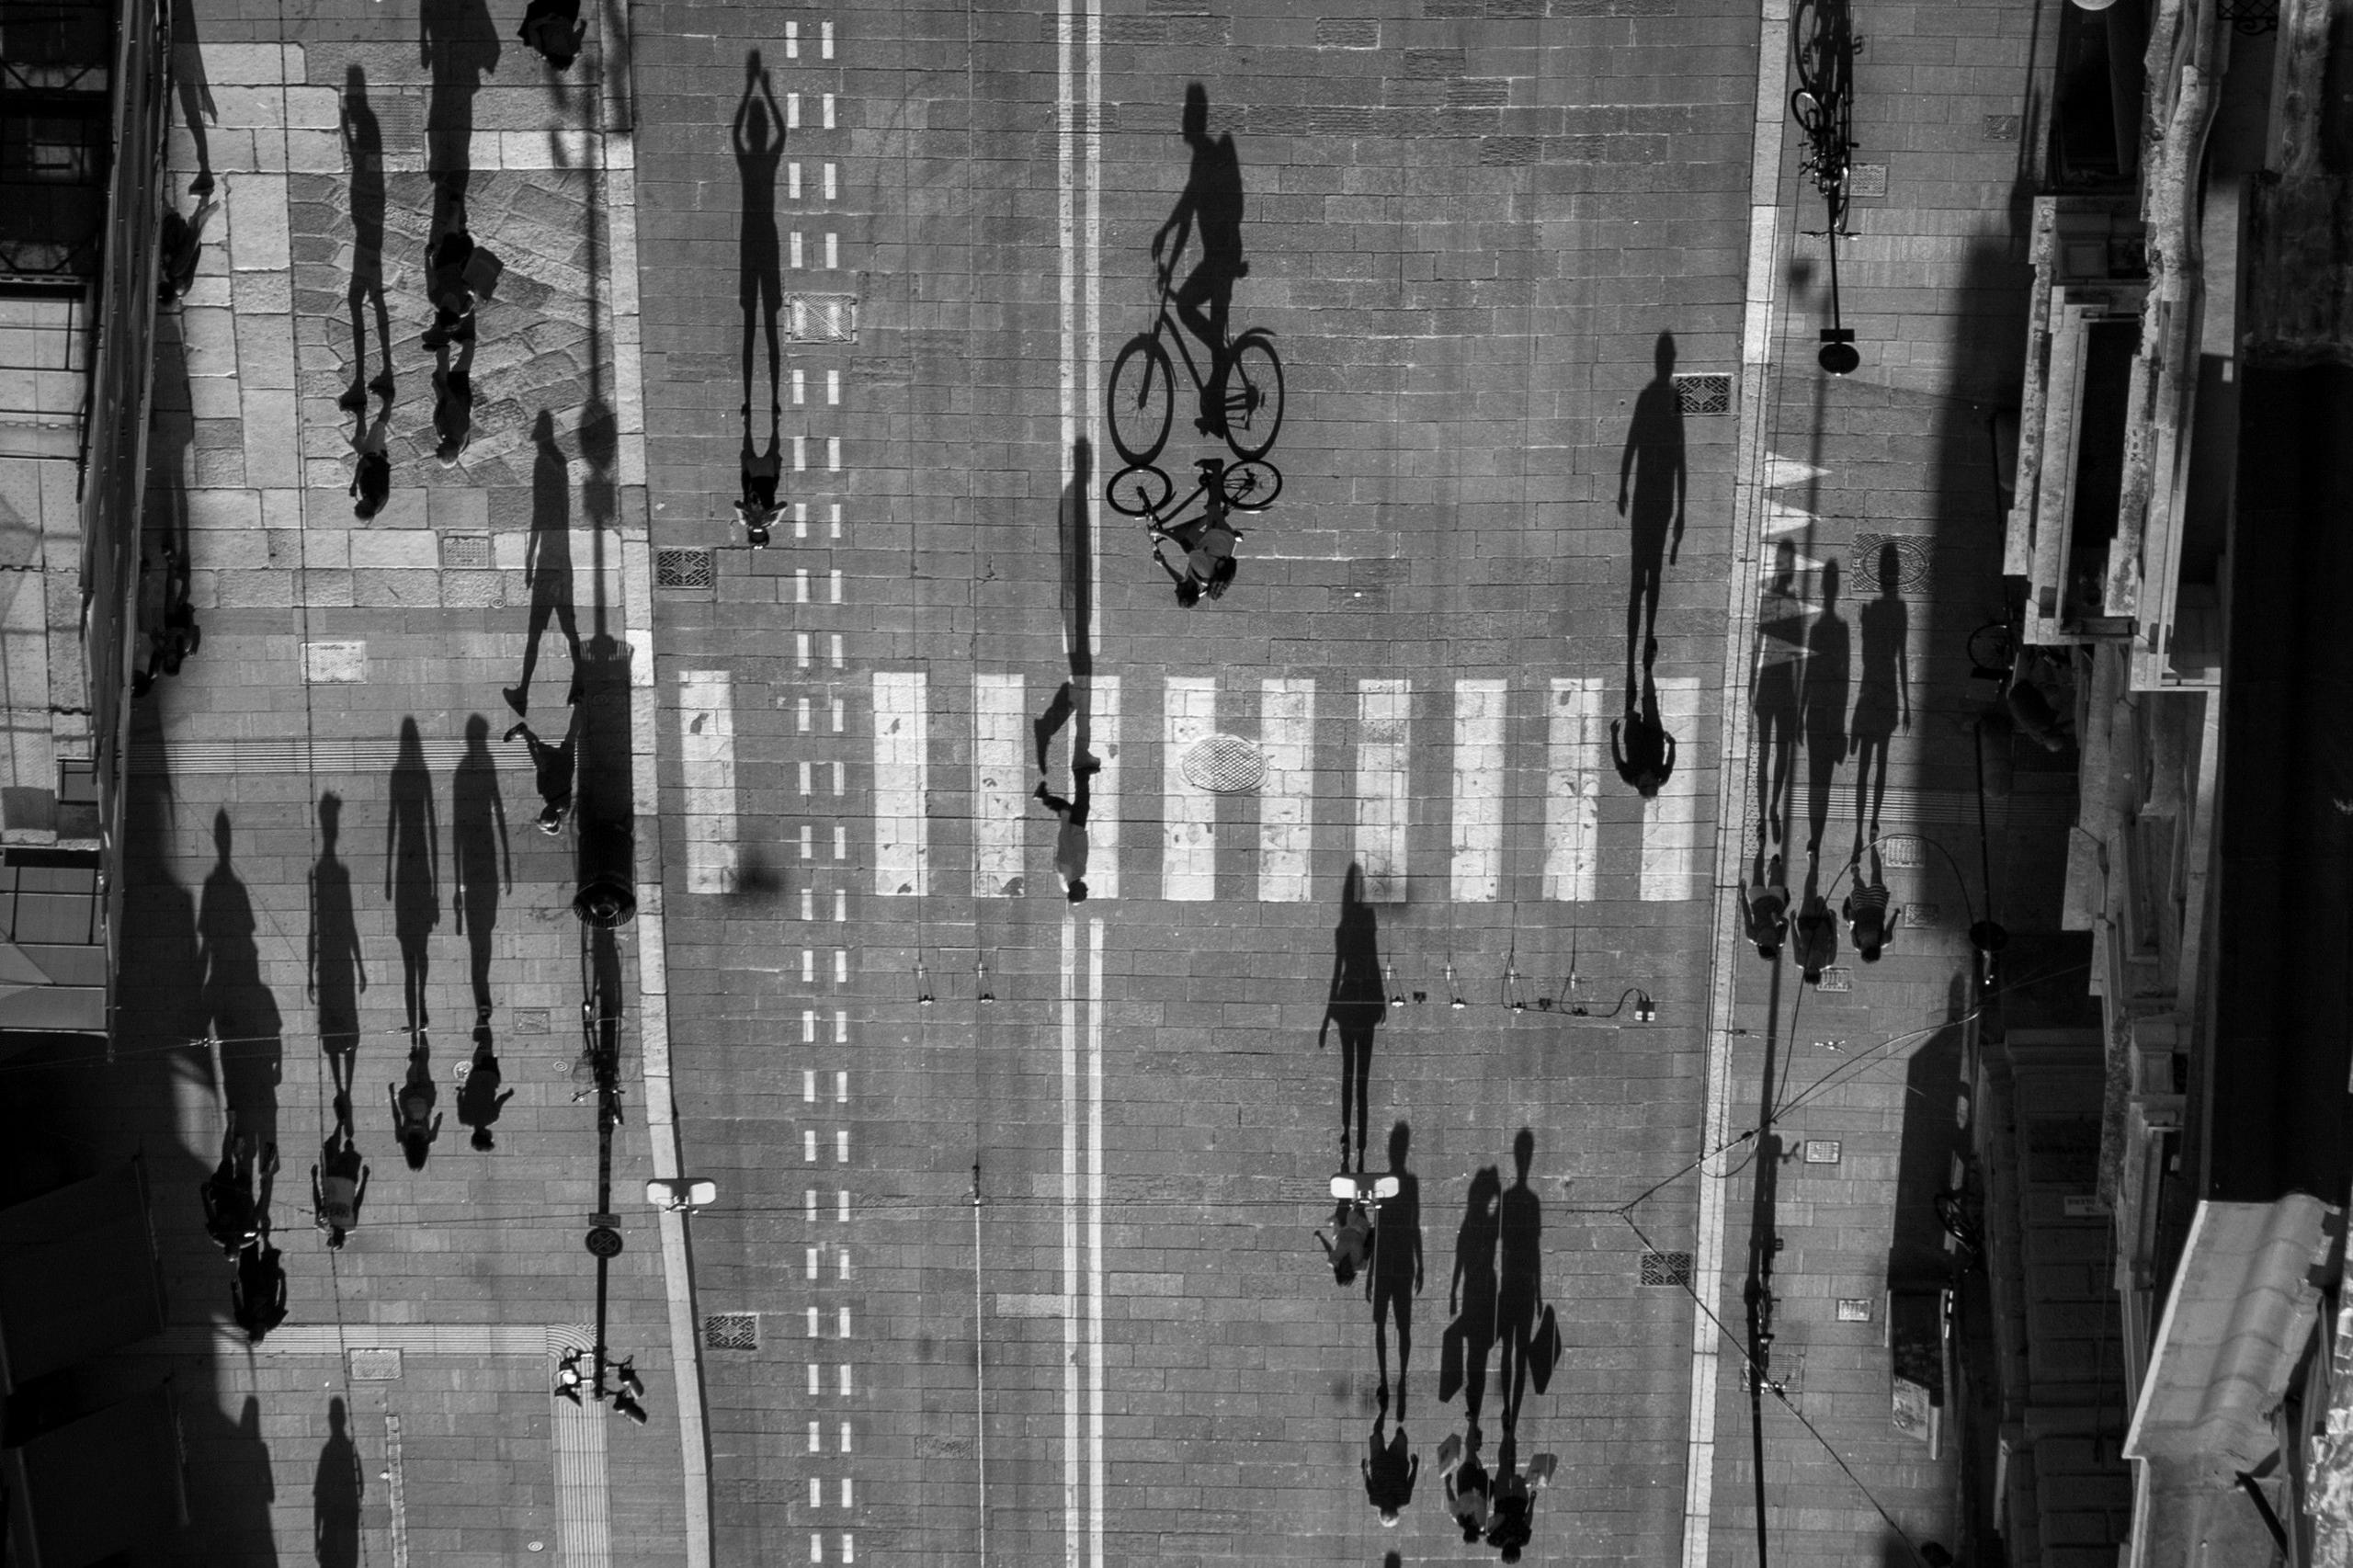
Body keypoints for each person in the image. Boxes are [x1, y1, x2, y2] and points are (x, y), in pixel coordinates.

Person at [1032, 752, 1100, 903]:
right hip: (1076, 833)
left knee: (1081, 801)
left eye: (1084, 891)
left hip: (1074, 831)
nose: (1086, 888)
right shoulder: (1067, 884)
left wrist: (1065, 822)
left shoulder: (1072, 871)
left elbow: (1065, 842)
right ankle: (1044, 796)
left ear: (1077, 890)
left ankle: (1080, 773)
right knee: (1070, 806)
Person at [200, 1117, 267, 1257]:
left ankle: (230, 1125)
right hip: (242, 1197)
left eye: (230, 1244)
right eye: (235, 1244)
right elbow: (257, 1213)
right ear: (238, 1247)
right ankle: (238, 1155)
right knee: (242, 1172)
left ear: (226, 1246)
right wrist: (264, 1192)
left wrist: (204, 1194)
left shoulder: (217, 1235)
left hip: (223, 1194)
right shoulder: (248, 1237)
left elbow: (210, 1213)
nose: (233, 1241)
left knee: (226, 1161)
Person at [506, 710, 577, 835]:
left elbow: (557, 823)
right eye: (543, 813)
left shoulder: (565, 807)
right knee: (535, 744)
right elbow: (541, 768)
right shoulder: (547, 793)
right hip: (553, 760)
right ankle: (522, 730)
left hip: (566, 763)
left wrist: (553, 828)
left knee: (572, 733)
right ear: (546, 811)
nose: (542, 812)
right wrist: (534, 751)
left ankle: (579, 703)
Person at [158, 179, 223, 300]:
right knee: (173, 215)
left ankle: (205, 193)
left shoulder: (182, 290)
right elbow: (187, 248)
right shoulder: (174, 271)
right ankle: (158, 193)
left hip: (191, 247)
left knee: (195, 219)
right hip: (185, 241)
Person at [458, 1028, 514, 1151]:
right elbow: (459, 1101)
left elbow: (500, 1100)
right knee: (482, 1051)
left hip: (491, 1075)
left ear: (483, 1135)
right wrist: (460, 1092)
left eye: (490, 1139)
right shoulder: (464, 1119)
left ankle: (483, 1021)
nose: (492, 1137)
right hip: (476, 1075)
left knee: (487, 1044)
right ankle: (482, 1031)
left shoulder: (492, 1118)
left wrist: (509, 1094)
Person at [313, 1130, 369, 1249]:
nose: (338, 1232)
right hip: (347, 1178)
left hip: (331, 1177)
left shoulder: (323, 1225)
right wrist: (365, 1179)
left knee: (329, 1147)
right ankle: (346, 1135)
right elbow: (357, 1204)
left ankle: (340, 1123)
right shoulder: (349, 1227)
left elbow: (317, 1203)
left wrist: (313, 1179)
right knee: (349, 1150)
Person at [1610, 699, 1677, 797]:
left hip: (1634, 737)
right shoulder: (1662, 779)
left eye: (1646, 781)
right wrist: (1671, 744)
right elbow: (1670, 762)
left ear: (1640, 784)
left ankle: (1630, 702)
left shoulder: (1629, 777)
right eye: (1654, 782)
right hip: (1655, 736)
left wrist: (1614, 735)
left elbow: (1617, 759)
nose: (1650, 777)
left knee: (1631, 712)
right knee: (1650, 704)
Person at [1360, 1416, 1417, 1526]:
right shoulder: (1404, 1500)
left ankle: (1383, 1410)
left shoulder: (1375, 1500)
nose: (1388, 1500)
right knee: (1401, 1436)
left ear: (1381, 1509)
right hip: (1398, 1461)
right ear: (1395, 1509)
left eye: (1386, 1504)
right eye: (1391, 1504)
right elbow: (1410, 1484)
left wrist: (1364, 1470)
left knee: (1376, 1433)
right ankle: (1398, 1432)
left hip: (1378, 1461)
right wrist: (1415, 1466)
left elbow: (1368, 1486)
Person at [737, 415, 784, 547]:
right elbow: (784, 505)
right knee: (774, 449)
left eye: (755, 535)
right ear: (765, 533)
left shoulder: (745, 521)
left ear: (750, 533)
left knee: (747, 449)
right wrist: (769, 513)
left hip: (750, 480)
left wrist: (749, 512)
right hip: (768, 480)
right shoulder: (772, 521)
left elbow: (737, 504)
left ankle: (746, 424)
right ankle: (776, 424)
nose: (758, 533)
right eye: (761, 535)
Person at [1843, 852, 1897, 962]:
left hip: (1863, 906)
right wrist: (1896, 914)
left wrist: (1851, 919)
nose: (1865, 945)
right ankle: (1873, 845)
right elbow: (1890, 927)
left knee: (1859, 882)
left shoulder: (1858, 945)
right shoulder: (1883, 941)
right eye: (1867, 947)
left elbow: (1852, 930)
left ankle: (1856, 873)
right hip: (1876, 904)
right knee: (1876, 874)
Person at [231, 1235, 289, 1341]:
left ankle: (251, 1231)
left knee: (248, 1248)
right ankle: (265, 1237)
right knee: (270, 1254)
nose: (260, 1328)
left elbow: (237, 1306)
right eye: (261, 1331)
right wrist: (283, 1280)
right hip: (268, 1283)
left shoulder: (245, 1323)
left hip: (249, 1281)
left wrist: (235, 1290)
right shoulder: (272, 1322)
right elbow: (281, 1302)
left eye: (256, 1330)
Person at [1439, 1429, 1491, 1542]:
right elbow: (1490, 1527)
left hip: (1466, 1484)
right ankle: (1474, 1444)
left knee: (1470, 1454)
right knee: (1478, 1463)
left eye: (1473, 1525)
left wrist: (1447, 1484)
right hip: (1481, 1488)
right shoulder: (1482, 1524)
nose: (1475, 1523)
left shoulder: (1458, 1517)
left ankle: (1472, 1424)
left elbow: (1451, 1500)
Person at [1315, 1197, 1372, 1286]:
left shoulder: (1334, 1261)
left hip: (1343, 1227)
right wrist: (1373, 1233)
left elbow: (1329, 1249)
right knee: (1359, 1205)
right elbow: (1369, 1249)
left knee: (1344, 1201)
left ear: (1339, 1271)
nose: (1347, 1269)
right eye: (1349, 1273)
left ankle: (1346, 1189)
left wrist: (1320, 1237)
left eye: (1344, 1272)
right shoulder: (1360, 1266)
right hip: (1360, 1228)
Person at [1742, 855, 1790, 960]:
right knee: (1777, 867)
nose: (1773, 941)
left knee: (1758, 872)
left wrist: (1742, 894)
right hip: (1776, 901)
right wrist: (1778, 919)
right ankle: (1773, 865)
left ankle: (1761, 846)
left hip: (1758, 900)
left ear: (1762, 944)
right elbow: (1786, 923)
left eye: (1770, 943)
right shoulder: (1780, 940)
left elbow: (1747, 915)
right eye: (1775, 945)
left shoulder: (1752, 935)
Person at [348, 410, 391, 521]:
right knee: (379, 425)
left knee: (358, 440)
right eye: (359, 505)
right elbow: (363, 464)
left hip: (374, 457)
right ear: (367, 507)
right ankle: (388, 398)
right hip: (375, 454)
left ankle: (359, 410)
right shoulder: (375, 493)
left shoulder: (374, 504)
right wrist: (353, 485)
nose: (358, 502)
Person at [517, 0, 583, 68]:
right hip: (565, 17)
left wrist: (545, 20)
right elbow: (579, 35)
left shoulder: (541, 47)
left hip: (549, 15)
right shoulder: (573, 48)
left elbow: (531, 26)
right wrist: (582, 26)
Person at [1793, 888, 1837, 985]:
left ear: (1806, 971)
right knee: (1820, 899)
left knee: (1809, 893)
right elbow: (1834, 941)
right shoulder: (1829, 961)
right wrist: (1833, 922)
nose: (1813, 965)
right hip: (1823, 925)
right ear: (1819, 972)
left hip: (1806, 924)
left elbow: (1795, 942)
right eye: (1816, 969)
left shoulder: (1800, 961)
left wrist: (1792, 923)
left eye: (1810, 968)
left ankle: (1813, 876)